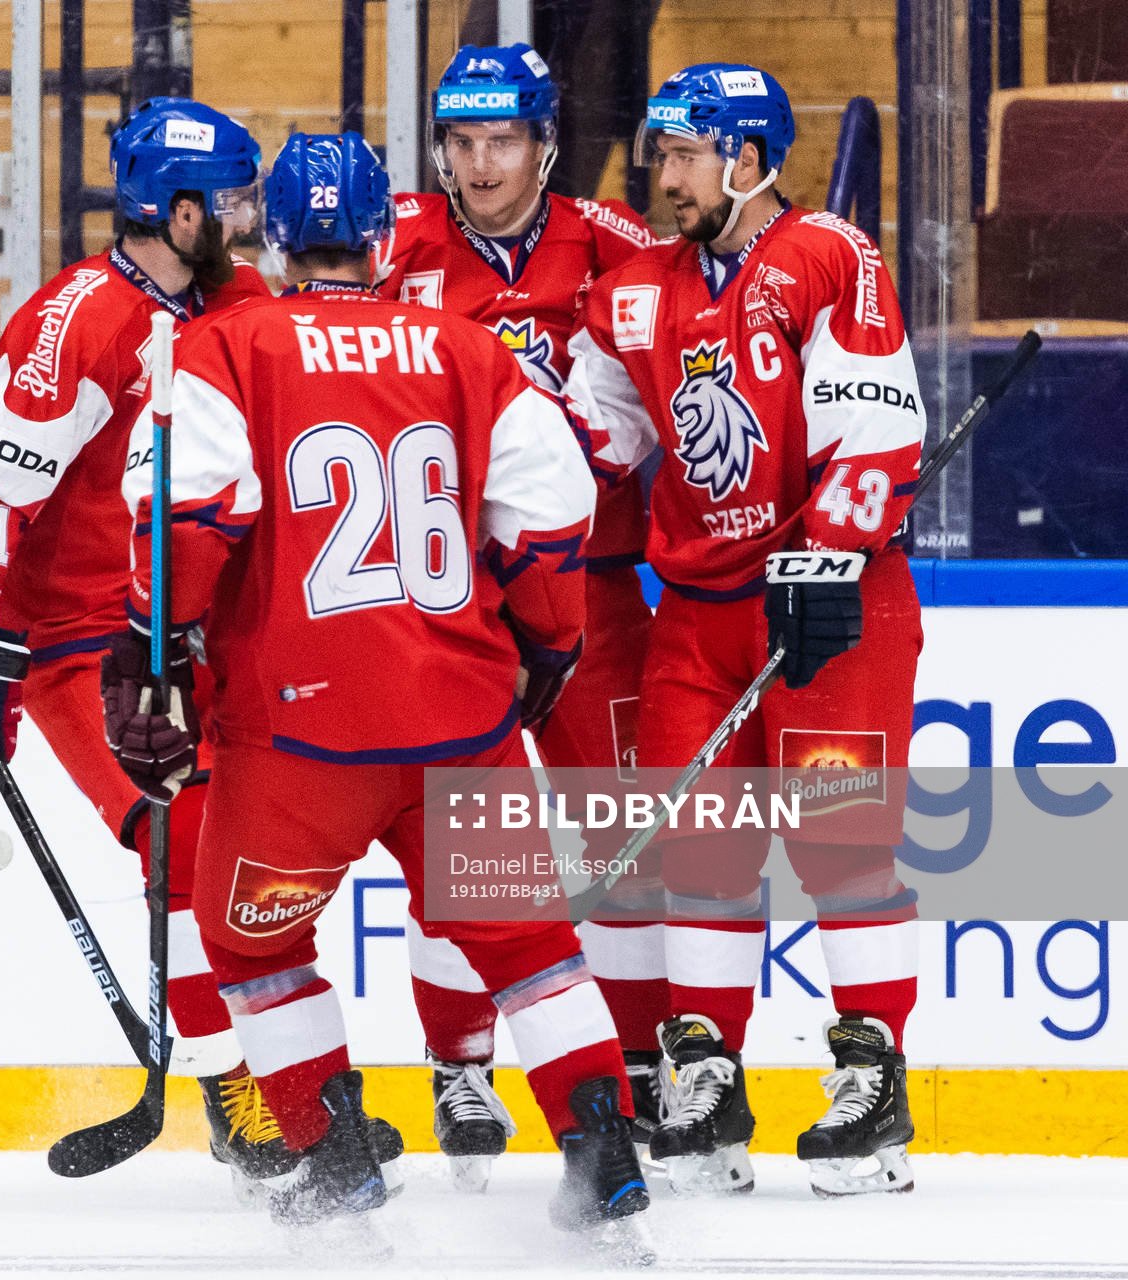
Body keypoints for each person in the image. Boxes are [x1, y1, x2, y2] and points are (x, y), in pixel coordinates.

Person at [110, 131, 651, 1259]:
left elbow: (189, 511)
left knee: (250, 942)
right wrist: (548, 638)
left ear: (272, 235)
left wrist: (153, 647)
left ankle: (335, 1151)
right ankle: (602, 1151)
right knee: (532, 944)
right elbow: (553, 508)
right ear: (380, 236)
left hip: (300, 731)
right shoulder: (465, 348)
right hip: (463, 717)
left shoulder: (225, 345)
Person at [0, 97, 293, 1199]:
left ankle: (289, 1074)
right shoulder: (77, 319)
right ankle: (236, 1094)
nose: (248, 217)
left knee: (266, 848)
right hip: (86, 645)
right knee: (180, 840)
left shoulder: (243, 298)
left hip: (202, 630)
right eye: (229, 201)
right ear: (175, 213)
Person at [567, 63, 925, 1198]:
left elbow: (877, 424)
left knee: (843, 843)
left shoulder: (829, 255)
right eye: (658, 154)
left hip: (836, 604)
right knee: (701, 853)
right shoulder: (630, 294)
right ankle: (708, 1076)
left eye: (681, 155)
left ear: (749, 158)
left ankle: (872, 1079)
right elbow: (590, 445)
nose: (659, 177)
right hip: (701, 614)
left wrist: (826, 554)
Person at [375, 41, 663, 1184]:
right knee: (472, 844)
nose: (481, 164)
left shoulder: (622, 246)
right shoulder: (395, 242)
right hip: (449, 601)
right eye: (461, 141)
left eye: (503, 141)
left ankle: (638, 1060)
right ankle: (460, 1063)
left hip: (594, 589)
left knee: (621, 841)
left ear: (545, 142)